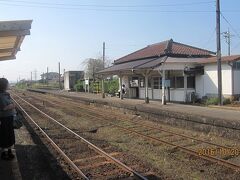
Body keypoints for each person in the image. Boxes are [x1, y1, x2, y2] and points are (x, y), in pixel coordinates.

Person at [0, 78, 16, 160]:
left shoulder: (7, 94)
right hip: (3, 119)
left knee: (10, 134)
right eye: (7, 83)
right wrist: (7, 107)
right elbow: (4, 108)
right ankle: (3, 152)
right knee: (4, 135)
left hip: (9, 118)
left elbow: (13, 104)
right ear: (3, 85)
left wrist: (9, 106)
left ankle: (9, 150)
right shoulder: (1, 96)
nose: (8, 85)